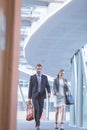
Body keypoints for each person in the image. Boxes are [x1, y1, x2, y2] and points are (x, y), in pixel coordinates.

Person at [28, 64, 51, 130]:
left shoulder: (45, 77)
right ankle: (37, 124)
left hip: (42, 96)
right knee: (36, 109)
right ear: (36, 69)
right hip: (34, 96)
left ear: (41, 69)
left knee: (40, 110)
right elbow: (30, 88)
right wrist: (29, 98)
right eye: (38, 68)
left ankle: (37, 121)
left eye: (40, 69)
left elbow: (47, 86)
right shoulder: (32, 77)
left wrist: (49, 92)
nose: (39, 70)